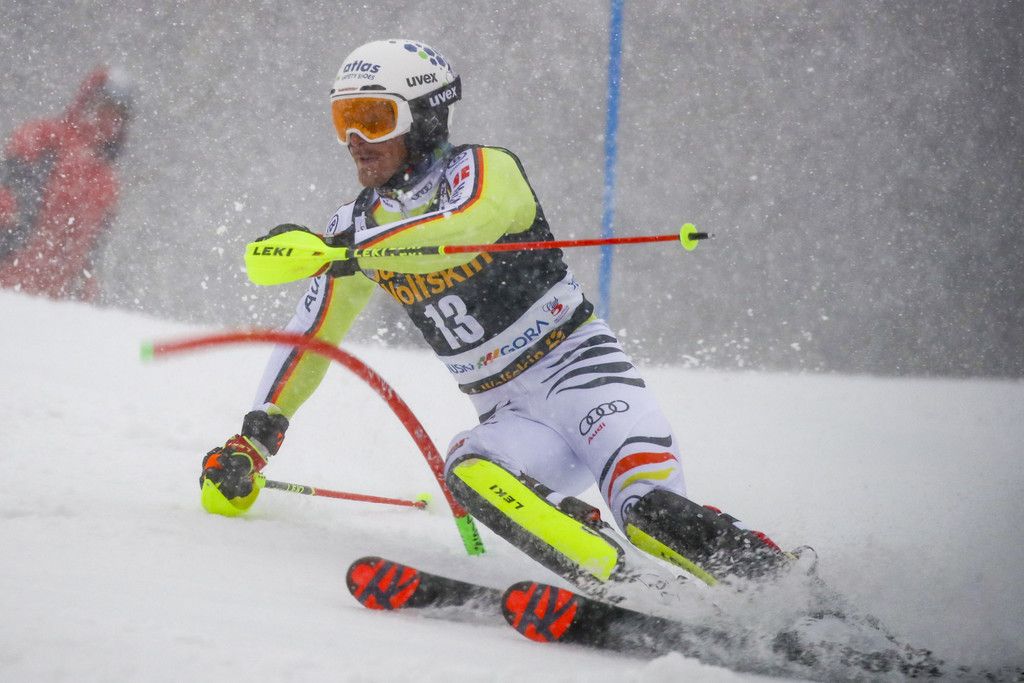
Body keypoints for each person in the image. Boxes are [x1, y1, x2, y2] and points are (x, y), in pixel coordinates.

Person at [200, 39, 784, 589]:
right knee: (470, 469)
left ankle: (782, 585)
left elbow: (462, 230)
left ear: (425, 118)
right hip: (509, 413)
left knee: (648, 513)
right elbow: (312, 336)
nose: (355, 138)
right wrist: (256, 438)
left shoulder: (483, 171)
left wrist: (348, 251)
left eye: (374, 118)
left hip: (584, 378)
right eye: (342, 120)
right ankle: (624, 584)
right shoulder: (352, 229)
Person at [0, 66, 132, 302]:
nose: (110, 121)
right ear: (88, 102)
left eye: (119, 115)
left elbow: (91, 255)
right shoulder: (43, 139)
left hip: (51, 305)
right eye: (105, 108)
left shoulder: (107, 185)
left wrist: (83, 296)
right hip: (7, 285)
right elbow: (8, 193)